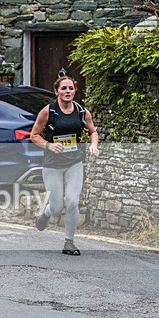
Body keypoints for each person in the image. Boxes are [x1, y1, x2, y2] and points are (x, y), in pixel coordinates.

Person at [30, 76, 100, 255]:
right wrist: (49, 145)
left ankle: (69, 242)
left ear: (75, 91)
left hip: (74, 162)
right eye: (64, 89)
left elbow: (93, 132)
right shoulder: (48, 111)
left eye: (70, 88)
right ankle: (45, 214)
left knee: (72, 201)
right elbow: (34, 135)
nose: (67, 92)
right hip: (53, 164)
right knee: (56, 207)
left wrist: (93, 145)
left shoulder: (82, 111)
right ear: (57, 91)